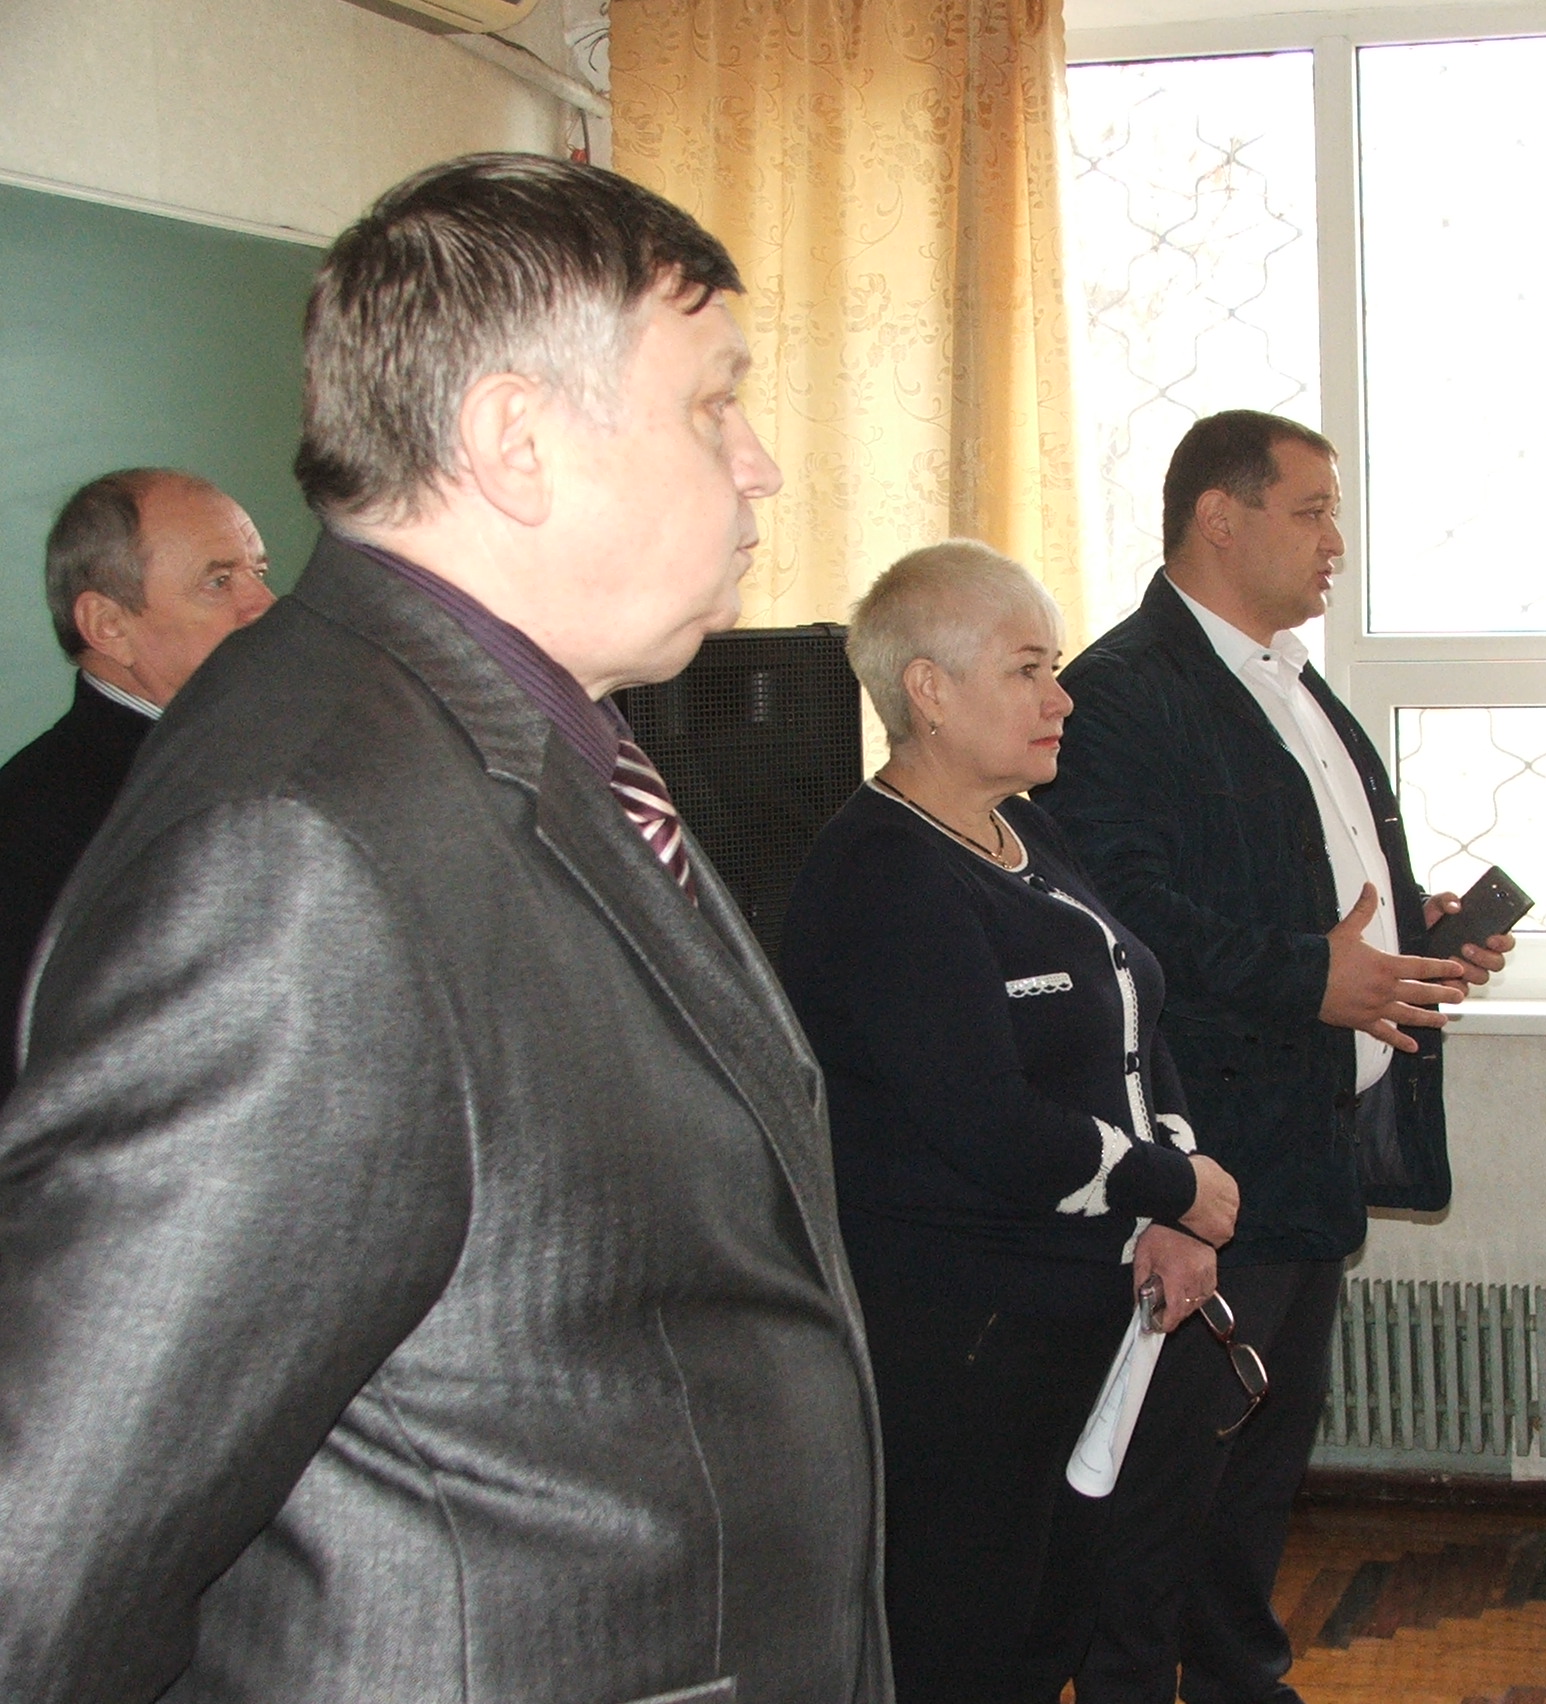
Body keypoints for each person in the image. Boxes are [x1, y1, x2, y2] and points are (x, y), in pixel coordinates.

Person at [0, 155, 886, 1703]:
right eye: (712, 404)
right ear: (515, 442)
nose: (757, 467)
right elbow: (44, 1551)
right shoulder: (303, 850)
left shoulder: (519, 735)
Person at [1035, 410, 1513, 1704]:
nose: (1335, 542)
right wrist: (1315, 974)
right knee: (1165, 1479)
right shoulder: (1120, 694)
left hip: (1305, 1150)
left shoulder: (1287, 677)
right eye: (1310, 512)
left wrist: (1417, 938)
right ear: (1219, 518)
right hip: (1209, 1155)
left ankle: (1241, 1680)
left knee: (1253, 1474)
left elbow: (1309, 883)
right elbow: (1120, 918)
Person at [780, 540, 1241, 1704]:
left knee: (1050, 1625)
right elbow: (986, 1123)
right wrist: (1174, 1189)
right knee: (962, 1639)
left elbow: (1135, 1018)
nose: (1061, 697)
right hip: (963, 1334)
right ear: (928, 691)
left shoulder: (1027, 829)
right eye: (1028, 669)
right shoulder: (882, 875)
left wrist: (1171, 1195)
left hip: (1080, 1308)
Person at [0, 467, 273, 1096]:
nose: (264, 604)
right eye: (218, 581)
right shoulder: (34, 828)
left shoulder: (253, 753)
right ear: (108, 626)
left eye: (258, 571)